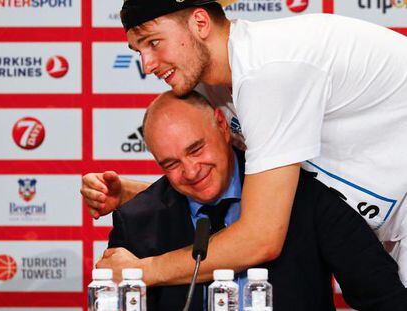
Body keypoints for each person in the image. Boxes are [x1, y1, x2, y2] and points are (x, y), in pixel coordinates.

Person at [83, 0, 407, 286]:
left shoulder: (268, 72)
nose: (147, 64)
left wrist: (143, 271)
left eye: (154, 43)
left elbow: (260, 238)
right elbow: (238, 192)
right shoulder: (217, 84)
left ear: (200, 22)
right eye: (138, 51)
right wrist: (137, 195)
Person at [97, 91, 407, 311]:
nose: (191, 171)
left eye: (196, 150)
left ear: (221, 124)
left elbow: (382, 294)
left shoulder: (301, 193)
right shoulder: (138, 218)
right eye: (171, 164)